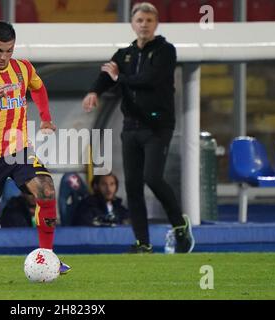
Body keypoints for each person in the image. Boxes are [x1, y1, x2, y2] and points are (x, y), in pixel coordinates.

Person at [0, 21, 70, 281]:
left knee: (46, 189)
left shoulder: (23, 68)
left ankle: (47, 256)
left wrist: (45, 117)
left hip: (18, 151)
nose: (3, 57)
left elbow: (38, 87)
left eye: (9, 51)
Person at [82, 2, 194, 253]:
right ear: (132, 24)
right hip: (131, 126)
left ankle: (179, 226)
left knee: (152, 177)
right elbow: (105, 74)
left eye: (149, 20)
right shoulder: (124, 54)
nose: (144, 24)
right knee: (132, 185)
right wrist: (94, 91)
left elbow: (148, 81)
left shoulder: (166, 51)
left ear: (156, 24)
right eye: (140, 20)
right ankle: (143, 242)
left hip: (157, 126)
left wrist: (118, 78)